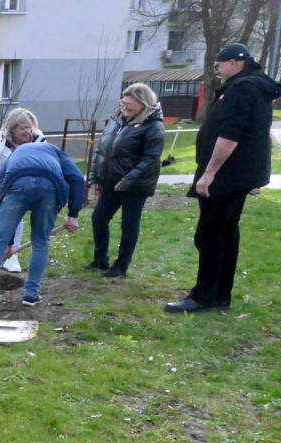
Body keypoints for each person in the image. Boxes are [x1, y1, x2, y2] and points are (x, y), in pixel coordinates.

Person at [166, 43, 281, 313]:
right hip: (237, 174)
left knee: (210, 234)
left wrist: (209, 174)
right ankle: (220, 295)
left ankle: (204, 296)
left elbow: (231, 134)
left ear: (233, 63)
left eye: (218, 65)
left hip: (227, 175)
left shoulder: (243, 88)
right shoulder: (252, 86)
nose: (217, 71)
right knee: (226, 232)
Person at [0, 142, 84, 307]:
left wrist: (7, 243)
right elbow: (77, 178)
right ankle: (31, 295)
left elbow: (3, 199)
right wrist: (73, 214)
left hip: (18, 183)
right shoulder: (55, 151)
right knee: (41, 242)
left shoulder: (12, 159)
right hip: (49, 187)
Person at [85, 83, 165, 278]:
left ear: (144, 104)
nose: (125, 107)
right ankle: (100, 260)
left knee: (129, 224)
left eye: (130, 104)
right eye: (123, 102)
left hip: (136, 185)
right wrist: (95, 176)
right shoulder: (116, 120)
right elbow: (102, 150)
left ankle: (121, 266)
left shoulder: (153, 126)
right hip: (111, 181)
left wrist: (127, 181)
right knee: (99, 218)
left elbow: (150, 159)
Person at [0, 108, 46, 273]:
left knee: (17, 216)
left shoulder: (39, 140)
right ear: (12, 128)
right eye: (23, 128)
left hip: (27, 186)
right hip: (0, 185)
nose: (28, 132)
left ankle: (12, 256)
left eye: (30, 127)